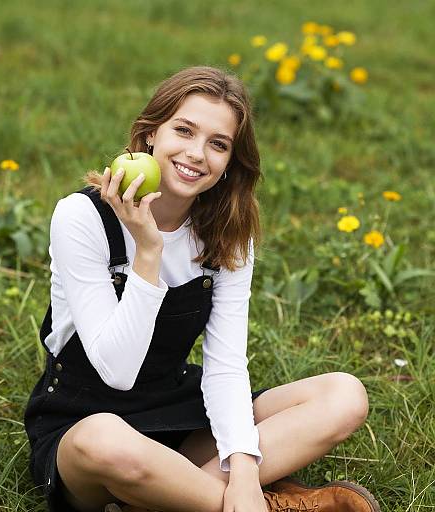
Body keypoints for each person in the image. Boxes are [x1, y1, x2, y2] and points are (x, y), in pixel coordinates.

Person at [24, 66, 380, 512]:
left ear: (231, 161)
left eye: (218, 144)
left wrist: (246, 471)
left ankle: (175, 498)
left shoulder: (226, 234)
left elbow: (225, 365)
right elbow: (116, 370)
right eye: (184, 130)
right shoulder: (83, 217)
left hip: (177, 409)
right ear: (151, 133)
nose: (196, 154)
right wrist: (148, 251)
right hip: (84, 421)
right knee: (105, 440)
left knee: (343, 395)